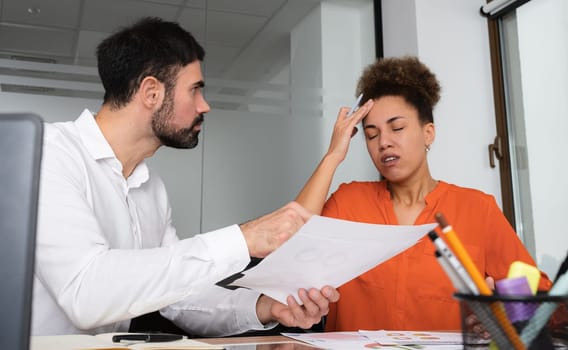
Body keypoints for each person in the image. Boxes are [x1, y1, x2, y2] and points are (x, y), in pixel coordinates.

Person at [32, 17, 339, 336]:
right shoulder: (50, 154)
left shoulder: (151, 188)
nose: (204, 106)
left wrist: (265, 307)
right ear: (151, 93)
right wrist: (244, 238)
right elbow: (86, 293)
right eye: (195, 90)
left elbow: (178, 298)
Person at [295, 56, 551, 331]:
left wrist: (505, 314)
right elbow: (291, 238)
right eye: (371, 135)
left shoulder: (478, 208)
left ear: (428, 133)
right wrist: (333, 155)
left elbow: (540, 304)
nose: (384, 142)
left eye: (397, 128)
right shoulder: (349, 201)